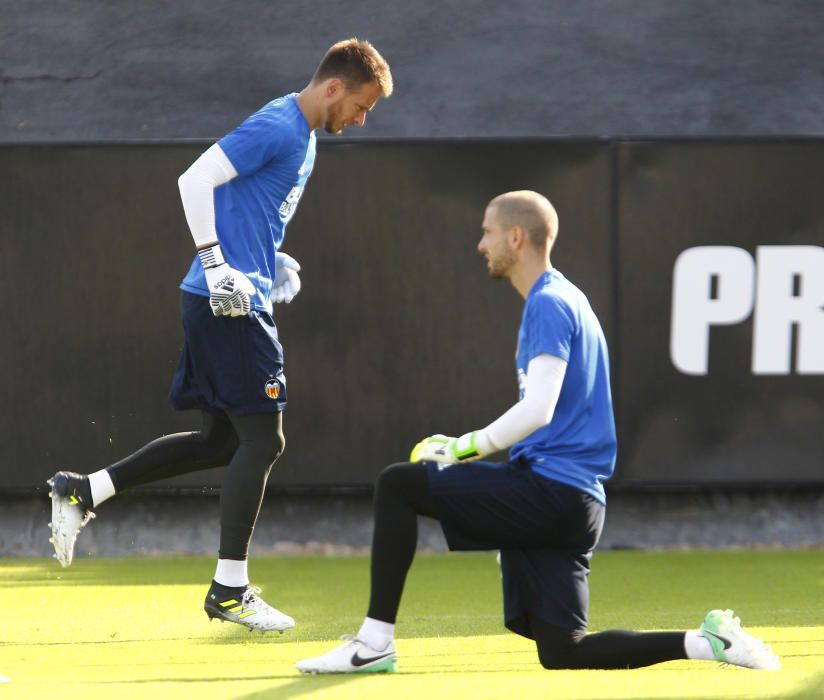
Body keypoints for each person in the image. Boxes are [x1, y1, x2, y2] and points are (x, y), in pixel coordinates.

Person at [295, 190, 780, 673]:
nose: (479, 244)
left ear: (516, 236)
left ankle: (373, 642)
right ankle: (707, 643)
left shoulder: (548, 302)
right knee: (563, 650)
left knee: (397, 485)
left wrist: (461, 449)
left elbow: (539, 410)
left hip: (552, 491)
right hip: (578, 504)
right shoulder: (565, 297)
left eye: (486, 232)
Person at [47, 38, 393, 634]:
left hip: (231, 294)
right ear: (334, 87)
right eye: (361, 106)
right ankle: (229, 587)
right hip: (225, 301)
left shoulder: (305, 139)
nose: (361, 120)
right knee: (264, 440)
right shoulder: (281, 125)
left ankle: (84, 490)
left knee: (221, 443)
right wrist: (215, 261)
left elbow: (245, 207)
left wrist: (268, 258)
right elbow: (194, 179)